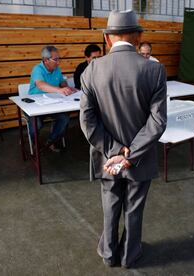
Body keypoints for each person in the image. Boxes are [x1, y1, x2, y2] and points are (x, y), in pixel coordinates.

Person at [79, 10, 167, 269]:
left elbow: (87, 121)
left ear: (107, 39)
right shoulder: (154, 70)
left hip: (106, 156)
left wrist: (114, 150)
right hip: (140, 158)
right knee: (134, 207)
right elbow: (158, 121)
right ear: (139, 36)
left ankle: (108, 253)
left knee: (110, 204)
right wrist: (130, 154)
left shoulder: (91, 70)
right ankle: (129, 255)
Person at [28, 45, 77, 152]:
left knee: (64, 119)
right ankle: (33, 142)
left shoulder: (57, 69)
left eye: (59, 59)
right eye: (55, 59)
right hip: (35, 106)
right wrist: (58, 90)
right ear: (46, 60)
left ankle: (50, 142)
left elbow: (62, 81)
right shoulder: (37, 69)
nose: (58, 62)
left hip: (54, 104)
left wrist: (66, 87)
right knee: (37, 125)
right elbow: (40, 85)